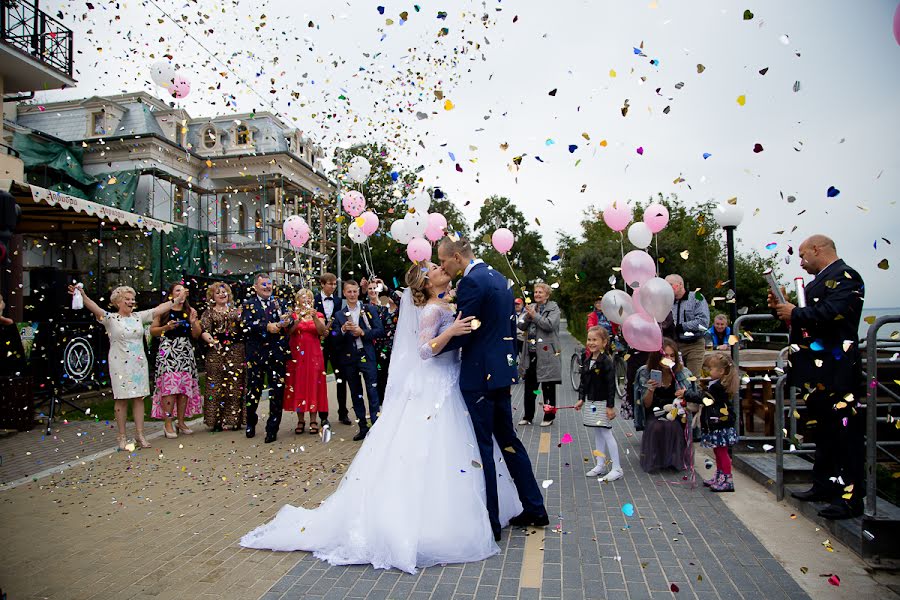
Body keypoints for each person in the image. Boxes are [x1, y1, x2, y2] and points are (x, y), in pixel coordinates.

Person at [240, 263, 523, 573]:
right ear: (428, 283)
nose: (442, 268)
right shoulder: (430, 310)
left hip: (450, 382)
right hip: (434, 383)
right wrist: (453, 330)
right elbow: (424, 351)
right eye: (436, 268)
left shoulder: (445, 301)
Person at [438, 236, 548, 538]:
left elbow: (466, 329)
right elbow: (509, 328)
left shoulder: (472, 283)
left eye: (444, 260)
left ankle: (490, 520)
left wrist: (435, 345)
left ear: (458, 257)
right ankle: (535, 508)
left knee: (484, 445)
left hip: (479, 375)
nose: (443, 266)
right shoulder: (500, 278)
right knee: (509, 440)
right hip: (500, 372)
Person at [768, 234, 865, 520]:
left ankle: (849, 498)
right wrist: (782, 309)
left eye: (802, 254)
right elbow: (804, 320)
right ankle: (823, 484)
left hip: (837, 368)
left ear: (817, 249)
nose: (800, 261)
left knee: (845, 433)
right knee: (823, 430)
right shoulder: (815, 283)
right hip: (816, 369)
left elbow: (831, 313)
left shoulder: (847, 276)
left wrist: (795, 311)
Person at [67, 285, 172, 449]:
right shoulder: (110, 318)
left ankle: (140, 434)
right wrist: (83, 295)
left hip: (138, 363)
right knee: (121, 399)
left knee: (139, 398)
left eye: (132, 299)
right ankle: (122, 437)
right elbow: (94, 307)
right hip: (119, 363)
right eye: (127, 299)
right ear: (118, 302)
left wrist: (177, 300)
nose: (131, 302)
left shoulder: (139, 317)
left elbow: (159, 309)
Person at [635, 338, 700, 473]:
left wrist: (684, 394)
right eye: (665, 355)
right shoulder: (645, 372)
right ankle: (656, 458)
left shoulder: (683, 373)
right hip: (655, 410)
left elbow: (691, 402)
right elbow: (646, 405)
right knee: (656, 426)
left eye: (672, 356)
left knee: (673, 426)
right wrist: (650, 389)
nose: (669, 359)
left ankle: (673, 459)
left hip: (676, 411)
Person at [330, 279, 384, 441]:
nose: (352, 294)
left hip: (367, 355)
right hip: (349, 358)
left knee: (372, 391)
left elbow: (379, 331)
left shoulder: (368, 309)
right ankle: (362, 427)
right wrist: (341, 330)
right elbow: (333, 337)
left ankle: (376, 425)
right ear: (344, 293)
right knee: (356, 393)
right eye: (349, 292)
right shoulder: (339, 314)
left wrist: (362, 332)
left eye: (355, 291)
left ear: (358, 292)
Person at [242, 272, 293, 443]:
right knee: (253, 390)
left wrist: (287, 321)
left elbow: (289, 322)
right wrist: (266, 327)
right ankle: (250, 421)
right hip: (256, 354)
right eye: (263, 284)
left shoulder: (280, 303)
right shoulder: (248, 305)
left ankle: (273, 427)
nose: (267, 287)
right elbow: (245, 326)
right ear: (255, 287)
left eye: (269, 284)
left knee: (277, 391)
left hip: (277, 354)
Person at [150, 283, 202, 439]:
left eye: (182, 290)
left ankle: (181, 421)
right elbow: (153, 331)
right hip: (168, 350)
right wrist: (166, 327)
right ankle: (168, 422)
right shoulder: (163, 310)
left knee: (184, 387)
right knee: (170, 387)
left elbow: (197, 334)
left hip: (185, 350)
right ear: (171, 295)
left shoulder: (189, 310)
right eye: (177, 290)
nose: (181, 293)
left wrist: (193, 322)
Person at [575, 326, 623, 482]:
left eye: (595, 339)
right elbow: (584, 382)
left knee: (606, 432)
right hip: (591, 401)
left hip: (603, 402)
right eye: (589, 339)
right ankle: (600, 464)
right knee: (597, 432)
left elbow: (610, 386)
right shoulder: (587, 359)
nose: (591, 342)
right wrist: (581, 398)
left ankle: (617, 468)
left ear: (604, 342)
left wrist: (610, 406)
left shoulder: (606, 362)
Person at [199, 282, 246, 432]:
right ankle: (216, 420)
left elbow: (243, 328)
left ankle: (233, 419)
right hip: (216, 351)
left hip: (236, 350)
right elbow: (204, 331)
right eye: (218, 292)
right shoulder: (208, 312)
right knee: (216, 385)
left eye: (224, 292)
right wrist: (213, 343)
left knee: (235, 384)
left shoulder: (235, 311)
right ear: (212, 296)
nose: (222, 294)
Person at [517, 282, 563, 427]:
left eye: (540, 292)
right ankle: (528, 416)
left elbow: (550, 325)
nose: (537, 294)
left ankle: (549, 416)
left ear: (547, 295)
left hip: (547, 354)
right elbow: (520, 325)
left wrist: (535, 316)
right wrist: (527, 317)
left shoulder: (553, 308)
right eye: (535, 292)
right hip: (530, 353)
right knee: (530, 387)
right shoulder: (533, 308)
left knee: (548, 387)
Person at [284, 289, 328, 435]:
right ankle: (300, 419)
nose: (306, 300)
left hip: (314, 355)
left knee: (314, 384)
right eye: (303, 297)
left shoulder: (319, 314)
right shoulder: (293, 315)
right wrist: (298, 319)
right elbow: (289, 332)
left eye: (309, 297)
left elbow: (322, 332)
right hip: (297, 355)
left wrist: (314, 317)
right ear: (298, 300)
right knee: (298, 384)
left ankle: (314, 419)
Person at [699, 353, 740, 492]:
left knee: (722, 452)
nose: (708, 372)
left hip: (720, 424)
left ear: (721, 371)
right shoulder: (717, 385)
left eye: (710, 369)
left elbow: (705, 399)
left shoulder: (717, 387)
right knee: (718, 451)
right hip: (718, 423)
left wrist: (687, 394)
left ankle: (727, 479)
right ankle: (719, 475)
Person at [314, 273, 348, 426]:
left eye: (335, 284)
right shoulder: (314, 300)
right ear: (322, 284)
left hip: (336, 345)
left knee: (341, 378)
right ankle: (323, 416)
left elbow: (339, 319)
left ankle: (343, 413)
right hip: (319, 344)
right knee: (320, 379)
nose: (333, 287)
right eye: (330, 284)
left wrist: (332, 331)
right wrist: (321, 331)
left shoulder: (339, 300)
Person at [665, 274, 710, 379]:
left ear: (680, 284)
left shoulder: (696, 297)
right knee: (674, 377)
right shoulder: (667, 302)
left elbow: (703, 322)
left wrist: (681, 326)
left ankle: (693, 394)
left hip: (693, 344)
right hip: (674, 345)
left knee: (693, 378)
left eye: (670, 285)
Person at [366, 286, 398, 404]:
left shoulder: (400, 312)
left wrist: (386, 288)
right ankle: (380, 404)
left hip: (395, 349)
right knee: (380, 376)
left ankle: (392, 403)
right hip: (380, 349)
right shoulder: (383, 310)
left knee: (393, 376)